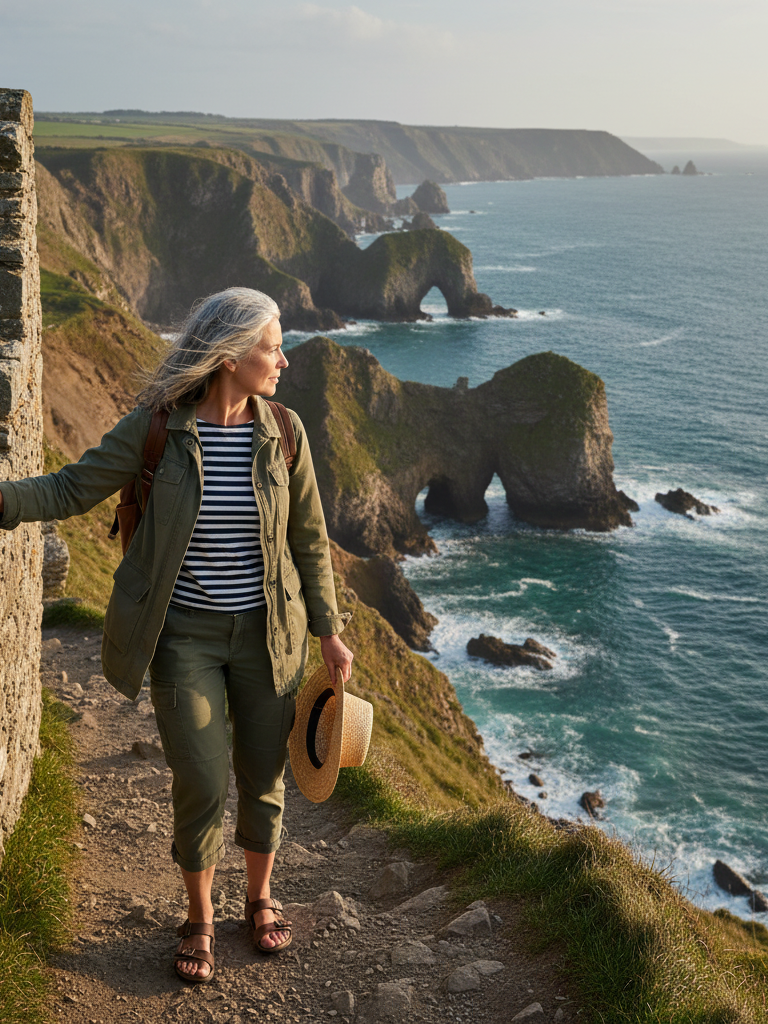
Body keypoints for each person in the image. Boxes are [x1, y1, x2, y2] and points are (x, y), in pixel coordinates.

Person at [0, 287, 353, 982]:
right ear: (229, 356)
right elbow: (73, 489)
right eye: (270, 347)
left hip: (268, 636)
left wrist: (330, 632)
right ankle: (197, 918)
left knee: (263, 774)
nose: (283, 359)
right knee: (198, 777)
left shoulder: (284, 432)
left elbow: (310, 541)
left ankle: (258, 899)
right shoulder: (156, 429)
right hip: (182, 636)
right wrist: (4, 501)